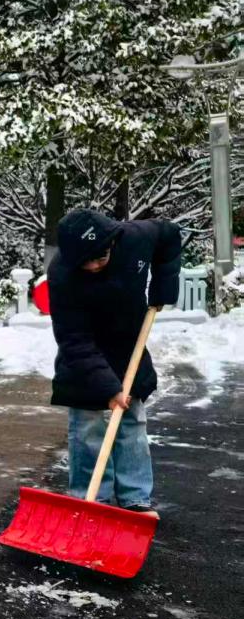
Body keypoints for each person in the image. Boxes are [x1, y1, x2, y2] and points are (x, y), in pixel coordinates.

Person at [49, 208, 182, 517]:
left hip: (128, 343)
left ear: (111, 242)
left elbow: (169, 235)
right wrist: (108, 389)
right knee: (87, 424)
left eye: (100, 257)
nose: (94, 266)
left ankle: (136, 497)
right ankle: (91, 499)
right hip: (85, 352)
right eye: (86, 262)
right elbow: (74, 340)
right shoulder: (62, 275)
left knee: (132, 420)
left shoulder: (134, 237)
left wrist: (164, 283)